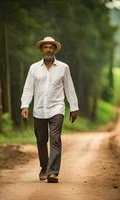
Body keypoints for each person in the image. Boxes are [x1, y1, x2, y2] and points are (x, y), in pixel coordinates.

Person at [20, 36, 79, 183]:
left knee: (55, 139)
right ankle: (44, 167)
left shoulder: (63, 68)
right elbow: (28, 89)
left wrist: (74, 107)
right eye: (45, 47)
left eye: (51, 47)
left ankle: (53, 172)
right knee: (41, 140)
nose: (48, 49)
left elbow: (69, 88)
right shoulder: (34, 68)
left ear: (55, 49)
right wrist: (25, 105)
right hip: (39, 109)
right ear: (41, 50)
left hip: (57, 108)